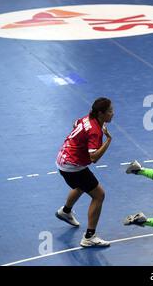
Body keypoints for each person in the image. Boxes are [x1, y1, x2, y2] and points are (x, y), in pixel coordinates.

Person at [55, 97, 113, 247]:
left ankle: (65, 211)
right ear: (101, 113)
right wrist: (108, 141)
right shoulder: (95, 132)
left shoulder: (88, 117)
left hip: (63, 159)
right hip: (73, 167)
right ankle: (89, 236)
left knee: (82, 186)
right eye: (110, 111)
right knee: (99, 195)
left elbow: (75, 124)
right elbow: (94, 157)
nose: (113, 114)